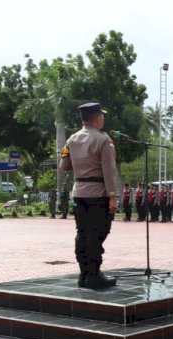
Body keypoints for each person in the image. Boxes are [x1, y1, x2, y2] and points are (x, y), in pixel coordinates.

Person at [58, 102, 117, 289]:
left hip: (79, 192)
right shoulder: (103, 139)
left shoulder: (72, 139)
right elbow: (109, 170)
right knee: (97, 233)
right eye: (102, 115)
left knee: (82, 233)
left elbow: (64, 165)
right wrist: (113, 196)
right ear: (98, 118)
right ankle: (94, 275)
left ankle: (84, 274)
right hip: (98, 193)